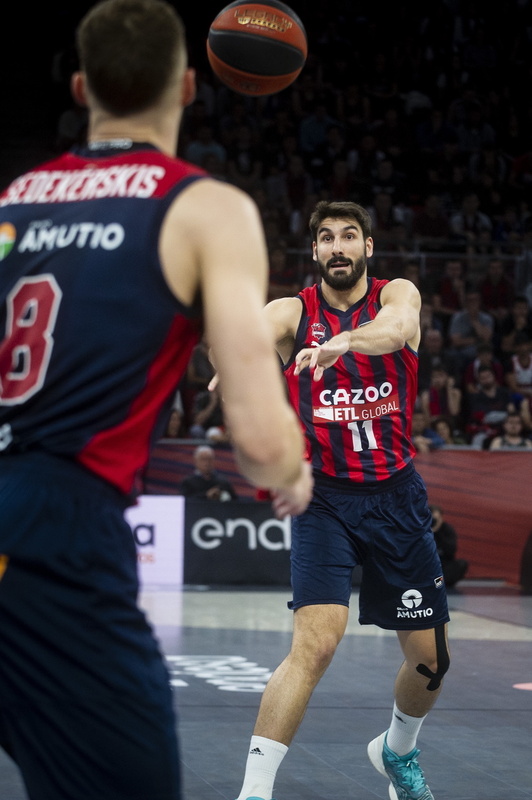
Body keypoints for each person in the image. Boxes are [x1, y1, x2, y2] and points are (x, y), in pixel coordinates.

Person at [0, 3, 313, 799]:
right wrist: (290, 470)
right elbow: (257, 435)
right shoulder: (205, 207)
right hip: (58, 528)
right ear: (186, 88)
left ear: (80, 86)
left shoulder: (15, 199)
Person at [234, 200, 450, 800]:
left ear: (367, 248)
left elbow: (400, 329)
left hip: (396, 497)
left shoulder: (393, 295)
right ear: (314, 252)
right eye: (326, 237)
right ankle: (253, 792)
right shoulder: (292, 311)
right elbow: (248, 330)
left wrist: (345, 343)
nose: (337, 246)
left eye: (348, 236)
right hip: (323, 499)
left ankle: (396, 751)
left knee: (431, 664)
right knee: (316, 644)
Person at [429, 506, 469, 588]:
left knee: (461, 564)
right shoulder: (421, 530)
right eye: (433, 519)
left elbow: (451, 551)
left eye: (437, 519)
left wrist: (437, 532)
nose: (435, 522)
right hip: (427, 566)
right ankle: (433, 583)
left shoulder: (447, 529)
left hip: (443, 566)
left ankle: (438, 583)